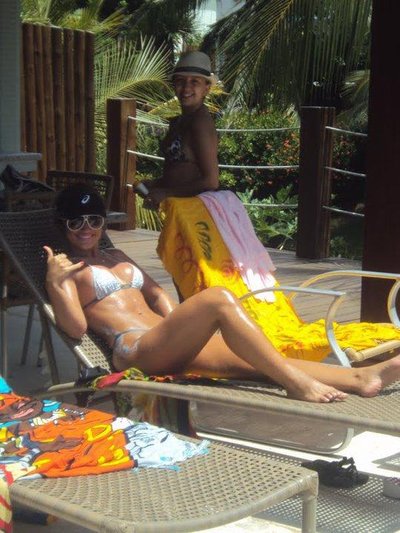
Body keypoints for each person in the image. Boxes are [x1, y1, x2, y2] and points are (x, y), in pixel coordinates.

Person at [45, 184, 400, 404]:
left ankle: (362, 378)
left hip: (165, 340)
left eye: (94, 220)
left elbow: (155, 294)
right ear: (63, 226)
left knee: (263, 362)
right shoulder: (66, 268)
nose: (87, 229)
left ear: (103, 222)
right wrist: (56, 284)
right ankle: (296, 385)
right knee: (218, 298)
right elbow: (75, 329)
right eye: (76, 222)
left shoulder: (117, 255)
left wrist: (182, 328)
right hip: (136, 350)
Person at [143, 51, 219, 208]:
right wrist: (156, 184)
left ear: (206, 88)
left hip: (194, 212)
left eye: (194, 82)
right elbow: (180, 170)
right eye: (180, 81)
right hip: (179, 209)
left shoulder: (200, 123)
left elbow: (211, 181)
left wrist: (167, 193)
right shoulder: (181, 120)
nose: (186, 88)